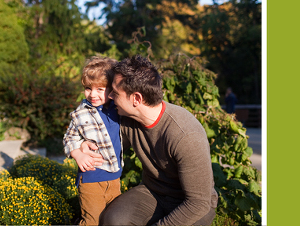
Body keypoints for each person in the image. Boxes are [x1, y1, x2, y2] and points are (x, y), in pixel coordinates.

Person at [85, 55, 218, 225]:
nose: (109, 96)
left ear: (137, 99)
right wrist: (82, 146)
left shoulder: (186, 135)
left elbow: (198, 202)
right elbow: (104, 148)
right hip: (153, 192)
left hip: (192, 204)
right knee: (113, 220)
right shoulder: (126, 117)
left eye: (115, 93)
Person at [62, 56, 123, 226]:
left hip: (114, 176)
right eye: (88, 88)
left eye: (100, 89)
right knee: (92, 220)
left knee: (112, 218)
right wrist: (78, 154)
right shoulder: (81, 113)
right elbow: (69, 138)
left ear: (111, 89)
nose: (92, 94)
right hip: (91, 177)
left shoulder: (117, 108)